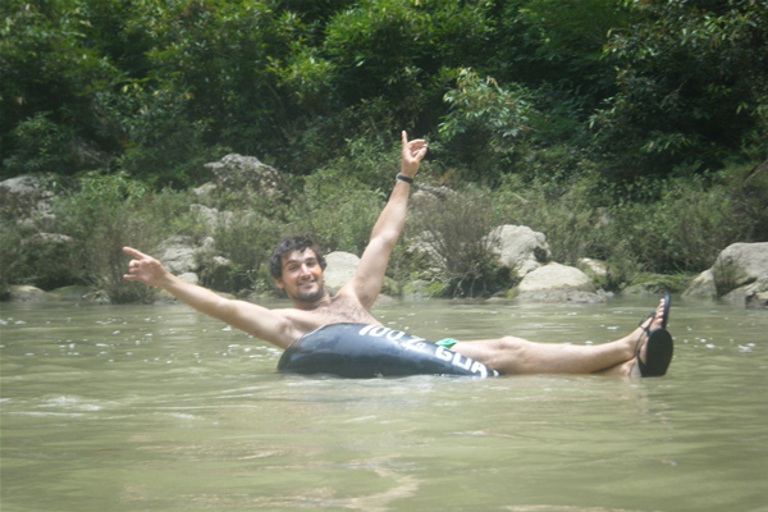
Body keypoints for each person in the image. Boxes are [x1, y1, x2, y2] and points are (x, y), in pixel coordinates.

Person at [123, 131, 673, 377]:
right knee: (509, 352)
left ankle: (627, 371)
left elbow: (382, 238)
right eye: (294, 268)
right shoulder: (287, 324)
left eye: (311, 261)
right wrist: (168, 279)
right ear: (281, 284)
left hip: (423, 351)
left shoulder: (354, 296)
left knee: (509, 344)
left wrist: (404, 176)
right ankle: (630, 345)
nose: (307, 271)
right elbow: (222, 306)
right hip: (407, 372)